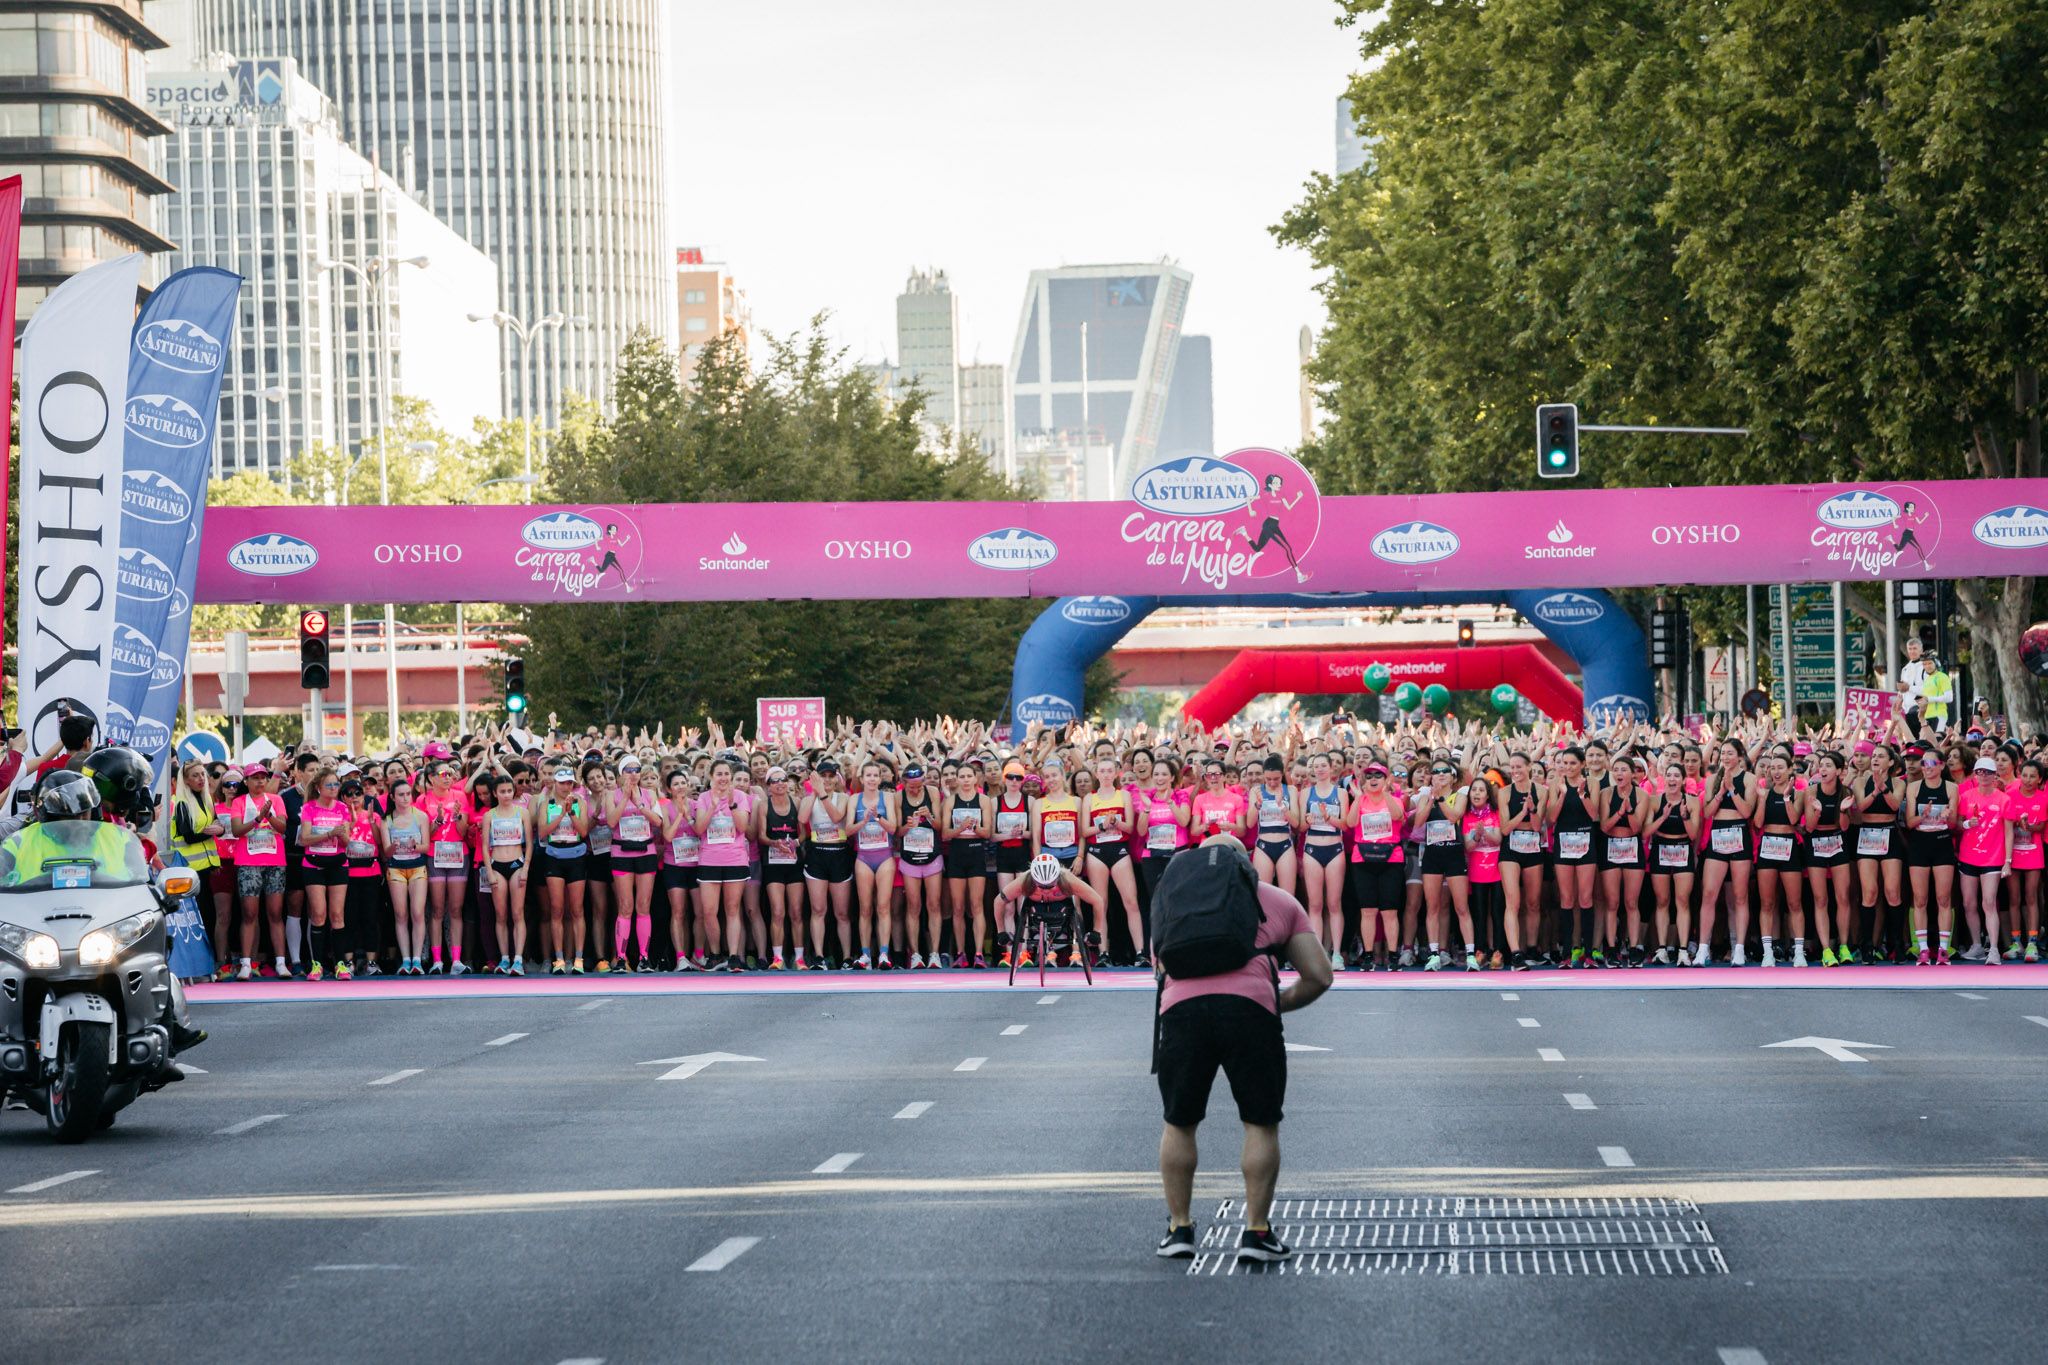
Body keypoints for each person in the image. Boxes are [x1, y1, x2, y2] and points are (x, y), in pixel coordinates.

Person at [1151, 835, 1331, 1264]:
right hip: (1250, 1012)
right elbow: (1319, 975)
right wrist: (1278, 1000)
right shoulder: (1277, 899)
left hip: (1181, 1012)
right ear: (1246, 863)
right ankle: (1256, 1232)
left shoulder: (1175, 896)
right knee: (1260, 1122)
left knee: (1179, 1122)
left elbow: (1160, 962)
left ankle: (1179, 1227)